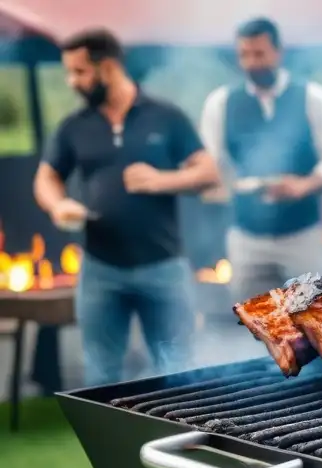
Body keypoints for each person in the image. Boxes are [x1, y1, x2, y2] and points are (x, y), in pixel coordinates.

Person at [33, 29, 218, 387]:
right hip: (100, 269)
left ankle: (174, 442)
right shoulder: (74, 126)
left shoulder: (166, 116)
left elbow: (208, 173)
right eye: (69, 73)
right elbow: (45, 179)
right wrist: (59, 205)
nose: (72, 82)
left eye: (80, 72)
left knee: (178, 370)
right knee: (101, 375)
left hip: (164, 266)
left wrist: (159, 180)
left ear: (108, 67)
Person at [200, 17, 322, 301]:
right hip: (246, 238)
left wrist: (304, 185)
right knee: (254, 321)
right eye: (244, 55)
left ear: (278, 52)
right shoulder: (220, 103)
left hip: (302, 237)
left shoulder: (313, 98)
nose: (251, 63)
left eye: (259, 54)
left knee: (314, 317)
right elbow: (213, 162)